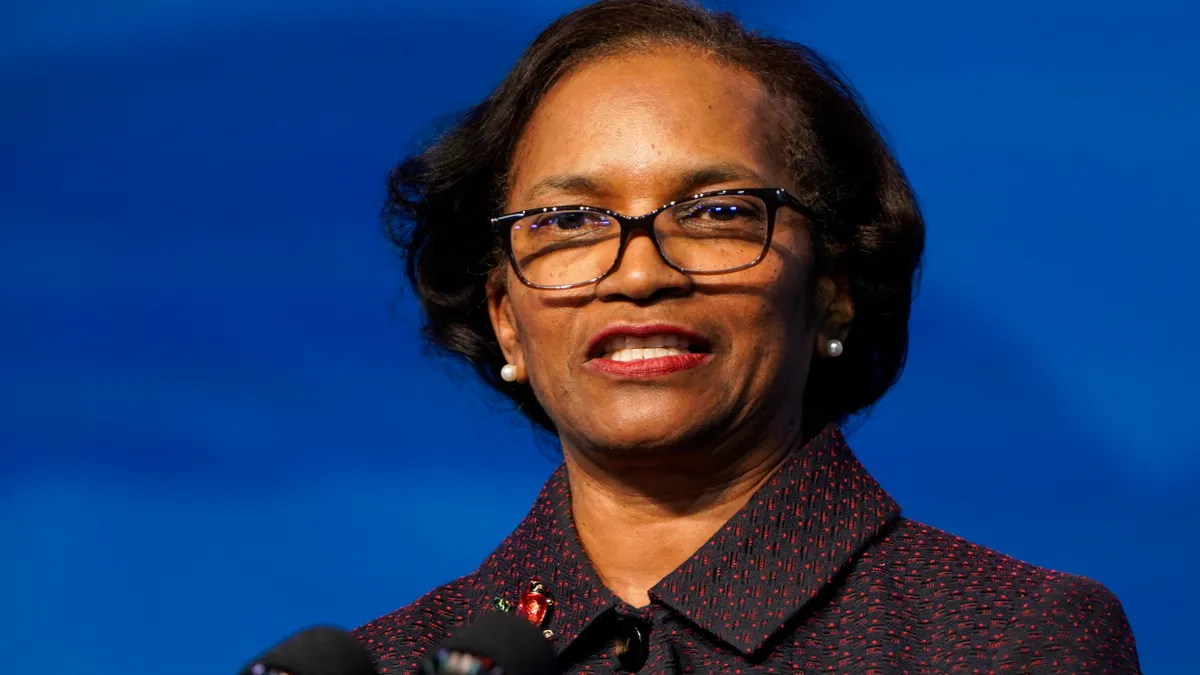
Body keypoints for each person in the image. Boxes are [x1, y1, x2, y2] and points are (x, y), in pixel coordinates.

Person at [353, 1, 1141, 672]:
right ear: (504, 317)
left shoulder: (1007, 641)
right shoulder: (393, 659)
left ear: (833, 290)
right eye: (569, 221)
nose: (637, 275)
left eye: (718, 211)